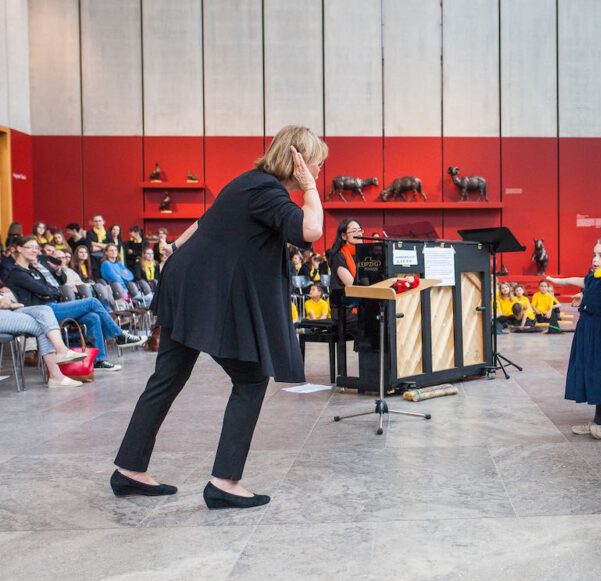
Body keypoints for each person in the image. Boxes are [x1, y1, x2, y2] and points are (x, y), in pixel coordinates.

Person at [113, 125, 326, 510]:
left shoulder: (249, 182)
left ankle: (129, 469)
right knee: (250, 378)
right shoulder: (266, 191)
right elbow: (311, 230)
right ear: (298, 161)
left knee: (167, 376)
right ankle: (225, 482)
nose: (319, 169)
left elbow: (206, 222)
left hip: (187, 285)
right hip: (201, 292)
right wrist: (309, 187)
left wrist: (174, 247)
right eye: (316, 163)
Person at [4, 236, 144, 371]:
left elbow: (55, 287)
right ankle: (119, 335)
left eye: (36, 247)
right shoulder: (17, 273)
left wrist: (52, 290)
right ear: (19, 249)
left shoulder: (34, 270)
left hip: (52, 306)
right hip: (42, 312)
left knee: (93, 317)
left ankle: (99, 361)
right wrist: (51, 291)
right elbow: (44, 290)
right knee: (92, 302)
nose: (35, 250)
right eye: (30, 247)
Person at [548, 239, 601, 440]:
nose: (595, 259)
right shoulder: (593, 278)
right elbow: (574, 280)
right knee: (595, 373)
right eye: (595, 254)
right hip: (588, 328)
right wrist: (558, 281)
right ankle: (598, 421)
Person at [0, 287, 87, 387]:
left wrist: (7, 301)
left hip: (8, 310)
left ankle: (61, 355)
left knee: (44, 310)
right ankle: (57, 372)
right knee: (41, 325)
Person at [326, 218, 363, 287]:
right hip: (345, 296)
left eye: (360, 230)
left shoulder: (363, 254)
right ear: (344, 236)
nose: (359, 234)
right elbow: (351, 284)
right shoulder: (338, 257)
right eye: (354, 231)